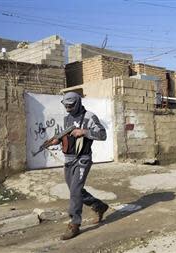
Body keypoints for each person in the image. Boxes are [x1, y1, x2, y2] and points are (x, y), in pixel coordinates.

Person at [46, 92, 109, 240]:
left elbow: (102, 134)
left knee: (75, 190)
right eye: (65, 105)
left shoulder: (89, 116)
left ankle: (75, 224)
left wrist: (84, 132)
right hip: (68, 159)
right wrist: (58, 140)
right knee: (76, 190)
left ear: (78, 103)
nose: (68, 108)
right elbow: (67, 136)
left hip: (83, 158)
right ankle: (99, 206)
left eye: (71, 105)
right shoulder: (67, 118)